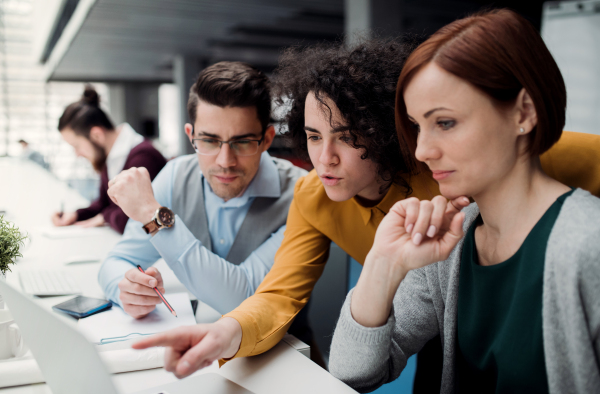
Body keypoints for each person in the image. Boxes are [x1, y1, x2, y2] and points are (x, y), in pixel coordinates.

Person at [132, 36, 600, 381]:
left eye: (350, 137)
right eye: (314, 136)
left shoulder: (445, 169)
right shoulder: (314, 195)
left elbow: (576, 155)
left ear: (384, 132)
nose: (325, 159)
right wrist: (227, 333)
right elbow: (280, 295)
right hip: (428, 317)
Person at [328, 9, 600, 394]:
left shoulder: (589, 245)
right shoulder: (450, 242)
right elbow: (353, 373)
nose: (422, 150)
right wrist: (384, 264)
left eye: (445, 123)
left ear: (523, 112)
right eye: (417, 126)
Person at [99, 62, 323, 364]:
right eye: (209, 140)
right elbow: (117, 260)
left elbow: (241, 297)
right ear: (191, 135)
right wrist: (125, 290)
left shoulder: (301, 195)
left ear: (267, 139)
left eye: (243, 142)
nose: (225, 161)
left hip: (283, 359)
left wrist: (155, 218)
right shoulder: (176, 176)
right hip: (200, 358)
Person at [51, 86, 167, 233]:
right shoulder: (110, 158)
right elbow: (104, 204)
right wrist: (75, 215)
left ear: (97, 135)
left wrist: (104, 217)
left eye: (77, 146)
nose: (77, 154)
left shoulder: (143, 157)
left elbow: (129, 220)